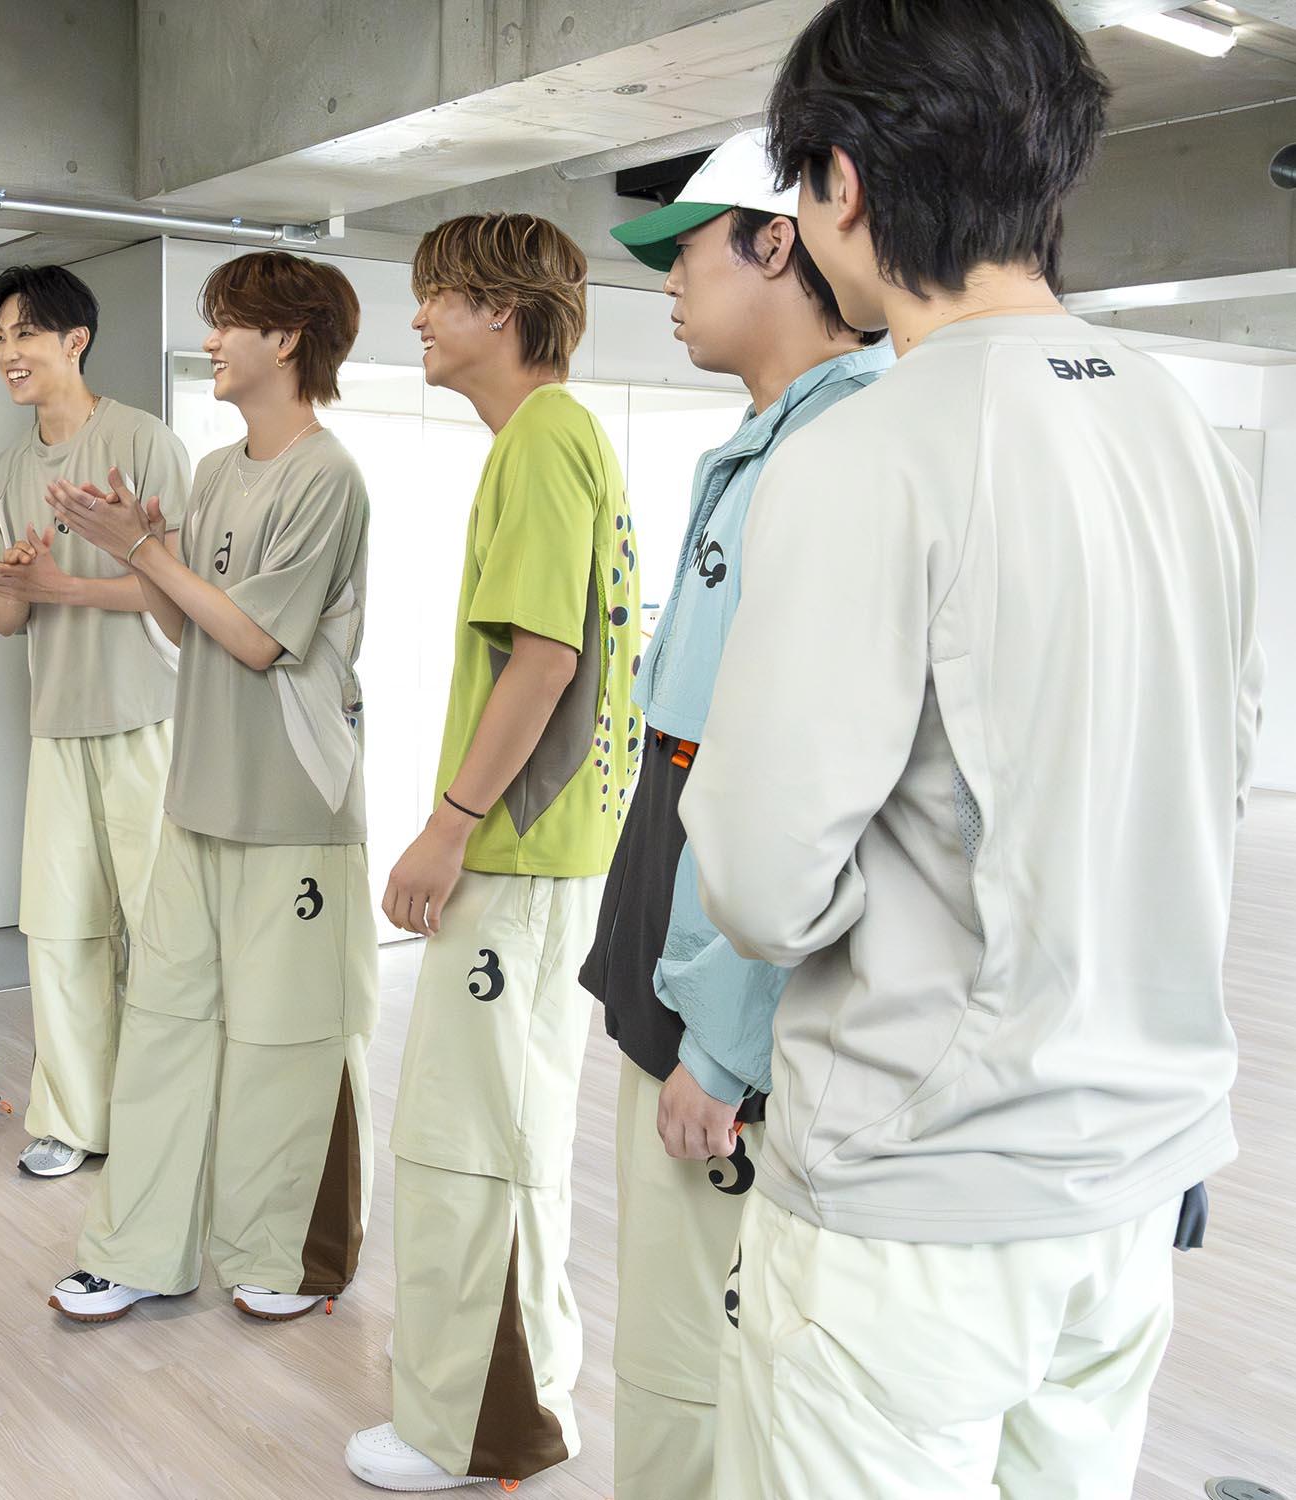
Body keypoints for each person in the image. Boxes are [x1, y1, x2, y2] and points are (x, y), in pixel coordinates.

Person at [685, 2, 1263, 1494]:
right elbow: (1219, 759)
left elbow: (758, 879)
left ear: (840, 184)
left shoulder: (868, 449)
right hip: (1132, 1173)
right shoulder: (1182, 432)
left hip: (918, 1192)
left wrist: (888, 901)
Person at [572, 128, 889, 1500]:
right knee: (671, 1323)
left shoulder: (852, 450)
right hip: (679, 906)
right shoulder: (771, 441)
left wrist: (724, 1035)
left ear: (780, 239)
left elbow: (804, 787)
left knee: (698, 1346)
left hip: (735, 973)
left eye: (686, 250)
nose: (667, 282)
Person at [344, 214, 640, 1493]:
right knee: (489, 1131)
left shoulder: (544, 438)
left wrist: (449, 824)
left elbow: (546, 658)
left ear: (505, 310)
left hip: (518, 858)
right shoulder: (555, 439)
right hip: (539, 855)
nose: (418, 317)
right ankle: (491, 1406)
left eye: (439, 296)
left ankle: (483, 1428)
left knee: (479, 1145)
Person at [43, 250, 374, 1327]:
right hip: (199, 796)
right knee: (165, 1027)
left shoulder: (328, 476)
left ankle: (283, 1253)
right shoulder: (220, 470)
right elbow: (189, 625)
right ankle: (136, 1249)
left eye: (229, 321)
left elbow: (260, 640)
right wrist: (140, 549)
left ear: (287, 338)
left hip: (293, 807)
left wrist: (145, 547)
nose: (212, 340)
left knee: (286, 1044)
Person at [0, 264, 192, 1179]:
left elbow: (180, 592)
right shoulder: (7, 470)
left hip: (148, 718)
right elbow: (5, 618)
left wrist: (61, 584)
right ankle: (71, 1118)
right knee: (60, 934)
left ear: (75, 340)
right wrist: (19, 579)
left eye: (26, 333)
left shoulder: (141, 441)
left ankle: (163, 1118)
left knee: (162, 931)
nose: (8, 353)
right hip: (57, 725)